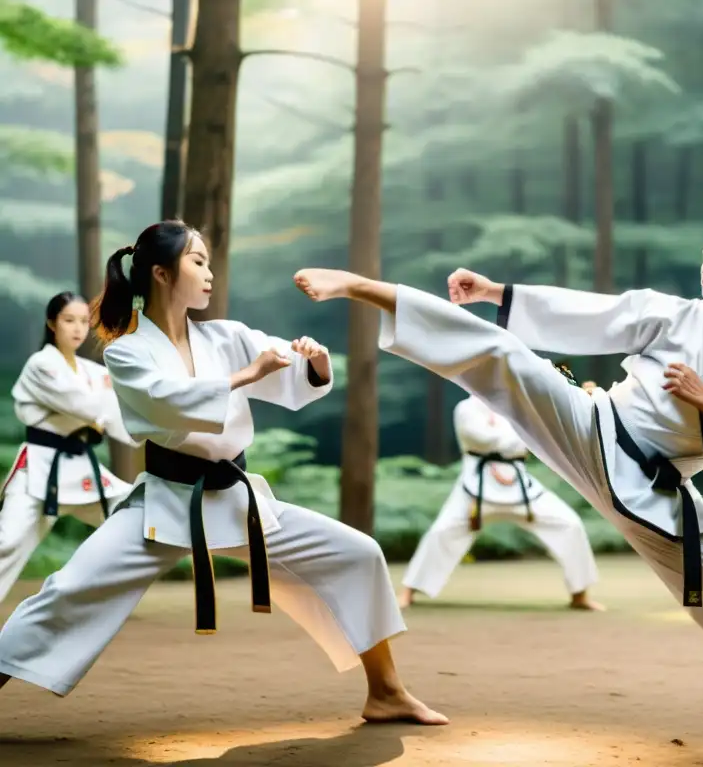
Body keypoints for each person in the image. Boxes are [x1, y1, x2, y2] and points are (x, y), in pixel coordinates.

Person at [293, 204, 703, 764]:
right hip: (594, 428)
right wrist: (494, 293)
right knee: (502, 353)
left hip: (658, 492)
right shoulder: (673, 315)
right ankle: (363, 287)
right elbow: (592, 315)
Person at [0, 221, 447, 726]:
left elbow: (284, 369)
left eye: (208, 262)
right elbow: (168, 403)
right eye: (198, 262)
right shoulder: (127, 351)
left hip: (240, 501)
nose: (209, 274)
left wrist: (312, 363)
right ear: (161, 273)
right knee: (70, 589)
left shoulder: (225, 336)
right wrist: (247, 374)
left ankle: (385, 691)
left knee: (359, 553)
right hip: (166, 503)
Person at [399, 392, 603, 611]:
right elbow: (483, 439)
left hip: (520, 484)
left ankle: (580, 594)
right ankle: (408, 591)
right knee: (441, 532)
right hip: (476, 486)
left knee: (569, 524)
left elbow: (534, 438)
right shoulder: (466, 408)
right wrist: (521, 434)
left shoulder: (517, 404)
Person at [0, 292, 138, 604]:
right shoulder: (41, 364)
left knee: (135, 511)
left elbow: (119, 407)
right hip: (40, 469)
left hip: (80, 469)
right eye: (68, 320)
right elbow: (83, 404)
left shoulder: (93, 372)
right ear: (52, 323)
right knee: (6, 544)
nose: (77, 329)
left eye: (82, 322)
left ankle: (100, 593)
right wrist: (99, 414)